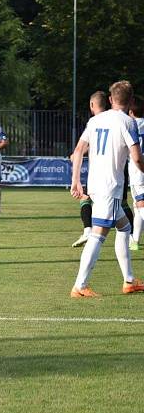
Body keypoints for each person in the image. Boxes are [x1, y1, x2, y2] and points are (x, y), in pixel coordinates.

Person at [69, 80, 144, 297]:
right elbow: (137, 158)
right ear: (130, 101)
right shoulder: (128, 122)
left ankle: (129, 280)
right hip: (110, 187)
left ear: (110, 99)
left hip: (95, 185)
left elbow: (78, 150)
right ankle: (80, 286)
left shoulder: (96, 120)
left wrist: (76, 180)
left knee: (125, 227)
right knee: (97, 235)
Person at [71, 91, 108, 248]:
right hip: (118, 172)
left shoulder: (93, 122)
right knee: (123, 219)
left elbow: (80, 148)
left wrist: (75, 180)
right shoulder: (121, 119)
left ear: (92, 105)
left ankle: (88, 231)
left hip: (99, 174)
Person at [128, 95, 144, 248]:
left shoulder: (130, 126)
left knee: (140, 204)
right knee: (137, 204)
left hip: (138, 171)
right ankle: (135, 241)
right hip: (139, 170)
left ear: (131, 111)